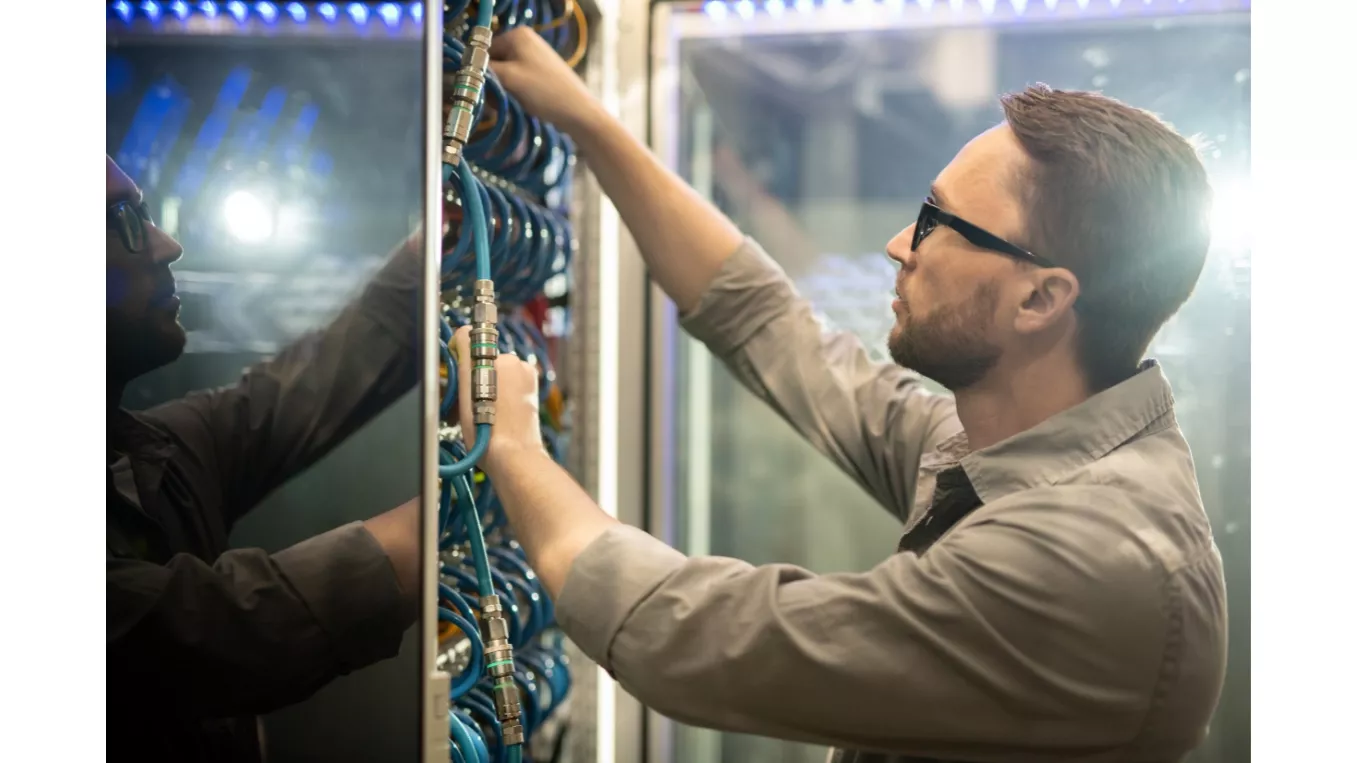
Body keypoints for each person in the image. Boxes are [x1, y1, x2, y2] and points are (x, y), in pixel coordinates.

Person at [456, 27, 1229, 763]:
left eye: (938, 222)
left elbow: (695, 638)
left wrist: (516, 448)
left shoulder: (1088, 559)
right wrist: (591, 125)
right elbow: (770, 326)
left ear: (1040, 300)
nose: (900, 244)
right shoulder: (1017, 446)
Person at [106, 156, 423, 762]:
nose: (167, 245)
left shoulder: (149, 455)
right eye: (125, 222)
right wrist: (484, 491)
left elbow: (309, 386)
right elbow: (224, 634)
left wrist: (437, 240)